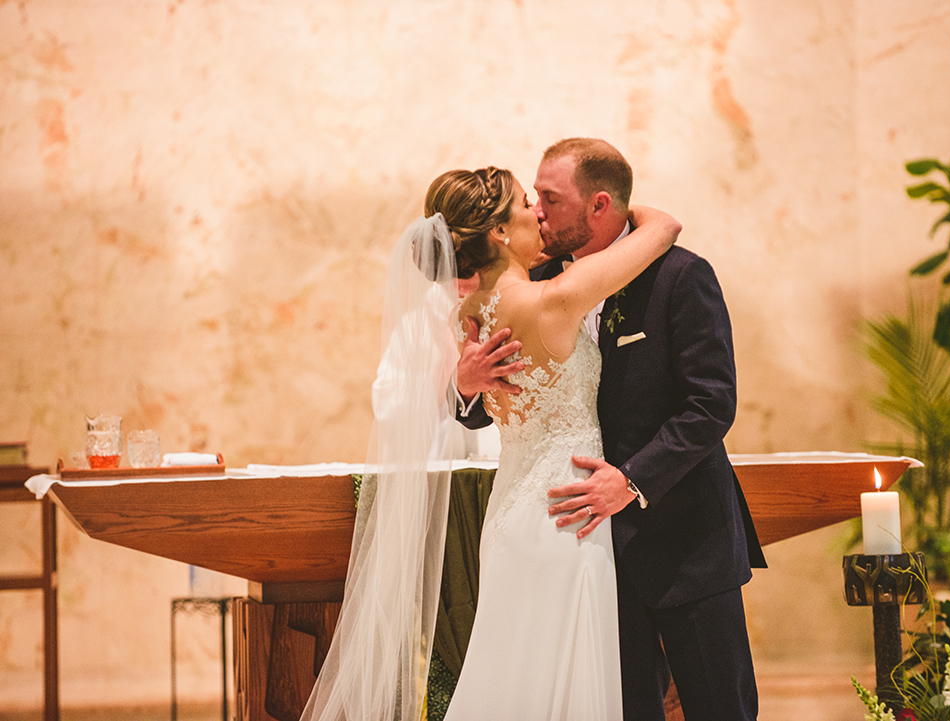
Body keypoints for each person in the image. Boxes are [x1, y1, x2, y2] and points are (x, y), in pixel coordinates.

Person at [301, 164, 681, 721]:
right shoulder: (553, 300)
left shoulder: (467, 316)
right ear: (499, 233)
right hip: (567, 517)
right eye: (529, 205)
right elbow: (664, 226)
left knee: (517, 680)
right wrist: (619, 208)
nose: (539, 215)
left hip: (513, 517)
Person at [457, 138, 766, 721]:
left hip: (683, 542)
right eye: (535, 199)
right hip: (587, 551)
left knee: (718, 709)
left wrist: (632, 481)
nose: (539, 212)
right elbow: (499, 397)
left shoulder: (681, 276)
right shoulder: (536, 282)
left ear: (599, 205)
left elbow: (710, 405)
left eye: (550, 198)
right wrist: (465, 385)